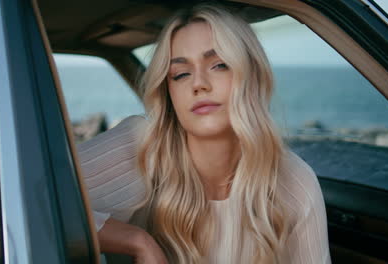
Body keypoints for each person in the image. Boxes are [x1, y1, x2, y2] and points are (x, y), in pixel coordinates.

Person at [80, 4, 331, 264]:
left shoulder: (295, 182)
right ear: (170, 94)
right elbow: (38, 193)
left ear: (252, 76)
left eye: (219, 65)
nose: (199, 83)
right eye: (181, 74)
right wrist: (137, 241)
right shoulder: (138, 146)